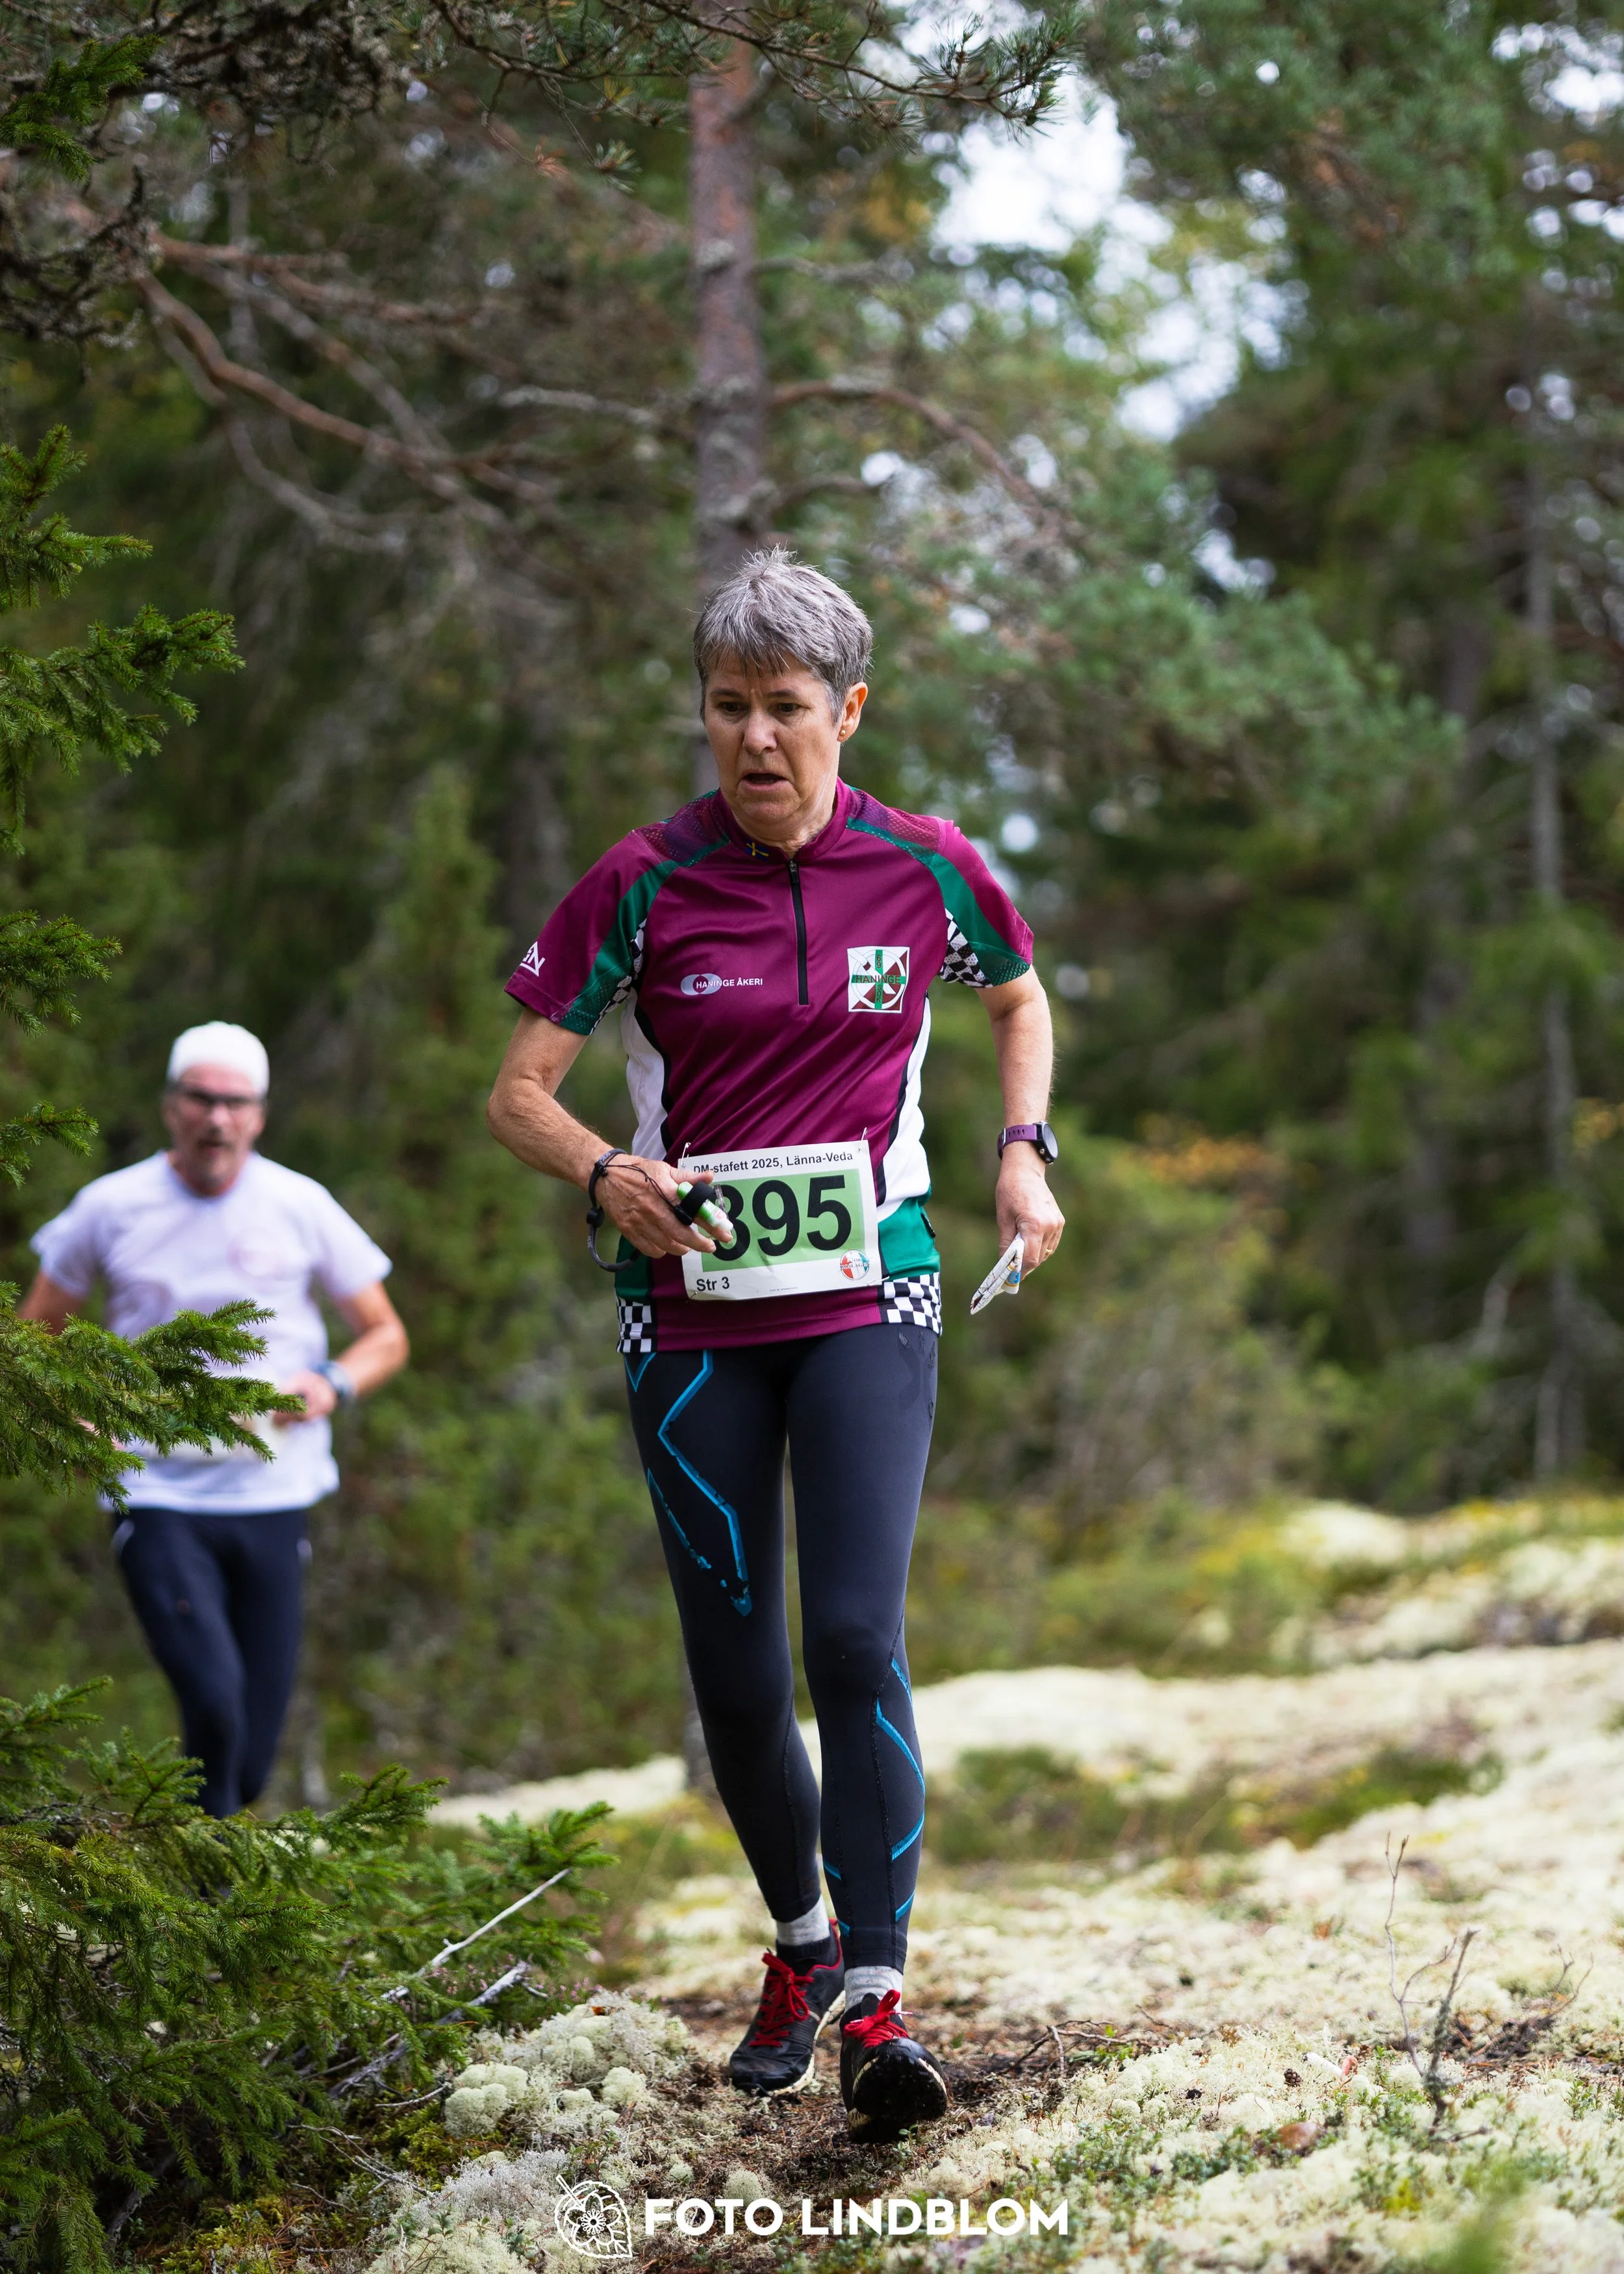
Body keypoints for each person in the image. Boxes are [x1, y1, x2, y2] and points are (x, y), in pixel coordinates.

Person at [488, 549, 1064, 2143]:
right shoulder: (642, 882)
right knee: (736, 1667)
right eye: (729, 708)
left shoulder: (926, 868)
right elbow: (517, 1091)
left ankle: (878, 1998)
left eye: (788, 710)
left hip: (871, 1291)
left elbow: (1021, 996)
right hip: (686, 1316)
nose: (755, 741)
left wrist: (1025, 1148)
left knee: (856, 1640)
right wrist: (607, 1169)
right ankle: (801, 1951)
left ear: (849, 711)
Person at [19, 1021, 409, 1817]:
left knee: (252, 1752)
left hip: (272, 1494)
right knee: (216, 1703)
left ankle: (194, 1874)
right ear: (171, 1106)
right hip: (156, 1495)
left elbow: (387, 1334)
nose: (217, 1118)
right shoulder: (111, 1205)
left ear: (260, 1115)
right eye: (201, 1097)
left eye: (235, 1102)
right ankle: (209, 1896)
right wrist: (81, 1421)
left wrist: (331, 1381)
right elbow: (31, 1341)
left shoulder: (300, 1204)